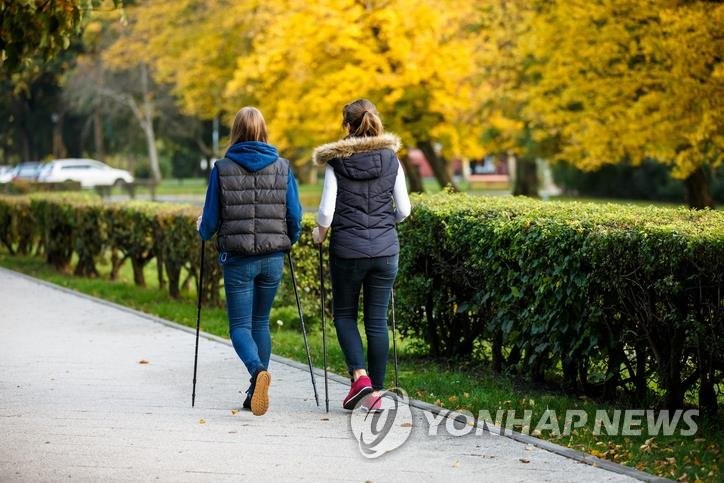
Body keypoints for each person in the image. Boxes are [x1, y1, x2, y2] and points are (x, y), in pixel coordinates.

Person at [197, 107, 302, 416]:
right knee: (260, 323)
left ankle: (257, 374)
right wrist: (288, 241)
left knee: (240, 326)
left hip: (238, 259)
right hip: (272, 258)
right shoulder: (283, 167)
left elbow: (211, 221)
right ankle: (254, 388)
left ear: (236, 132)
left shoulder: (223, 167)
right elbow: (294, 216)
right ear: (263, 131)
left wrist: (201, 228)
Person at [311, 99, 411, 411]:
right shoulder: (391, 158)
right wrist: (384, 225)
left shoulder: (337, 161)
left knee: (344, 314)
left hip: (348, 250)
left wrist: (319, 234)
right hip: (385, 251)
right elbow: (405, 210)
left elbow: (326, 212)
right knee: (377, 321)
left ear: (347, 125)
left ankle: (360, 377)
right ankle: (376, 393)